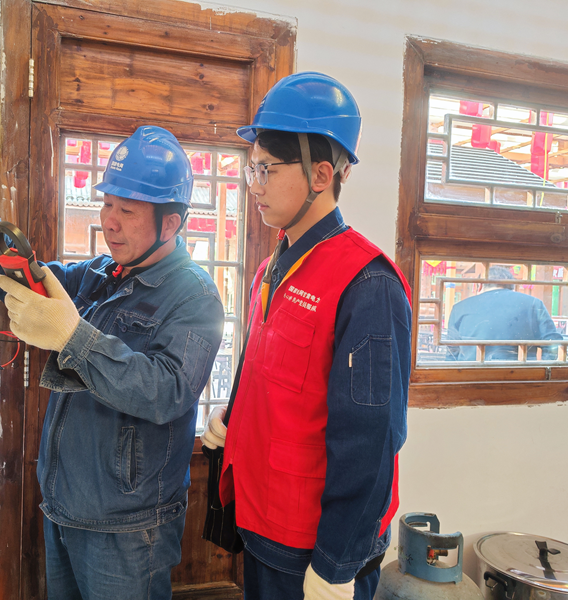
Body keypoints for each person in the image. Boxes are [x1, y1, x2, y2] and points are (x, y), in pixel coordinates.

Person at [0, 126, 224, 600]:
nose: (109, 221)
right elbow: (26, 284)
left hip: (129, 529)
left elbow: (167, 391)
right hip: (65, 508)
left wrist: (74, 337)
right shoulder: (100, 273)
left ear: (171, 223)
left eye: (127, 211)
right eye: (107, 204)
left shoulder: (195, 296)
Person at [201, 72, 412, 600]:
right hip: (261, 521)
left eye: (267, 170)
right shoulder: (274, 265)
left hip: (312, 548)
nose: (254, 185)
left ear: (321, 174)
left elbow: (372, 441)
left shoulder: (367, 284)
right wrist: (234, 416)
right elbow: (272, 374)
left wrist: (336, 566)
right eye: (251, 169)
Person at [446, 265, 562, 361]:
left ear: (479, 285)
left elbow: (452, 354)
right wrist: (541, 373)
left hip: (471, 376)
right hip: (522, 377)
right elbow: (553, 345)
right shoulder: (533, 304)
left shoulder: (459, 308)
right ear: (512, 286)